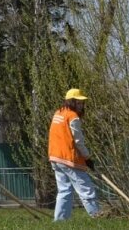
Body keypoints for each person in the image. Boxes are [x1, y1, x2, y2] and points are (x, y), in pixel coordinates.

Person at [48, 88, 100, 220]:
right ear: (71, 102)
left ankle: (60, 221)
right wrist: (87, 158)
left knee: (64, 191)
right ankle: (97, 217)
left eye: (82, 103)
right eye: (78, 102)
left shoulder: (58, 113)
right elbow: (78, 141)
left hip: (55, 157)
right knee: (86, 189)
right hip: (69, 159)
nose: (81, 105)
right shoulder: (73, 116)